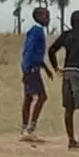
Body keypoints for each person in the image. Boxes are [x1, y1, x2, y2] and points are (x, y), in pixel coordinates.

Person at [48, 10, 79, 150]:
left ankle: (71, 140)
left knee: (68, 108)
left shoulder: (66, 35)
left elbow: (51, 50)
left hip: (67, 71)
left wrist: (56, 67)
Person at [19, 7, 53, 141]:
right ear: (38, 17)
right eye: (46, 16)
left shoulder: (36, 31)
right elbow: (29, 51)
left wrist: (46, 68)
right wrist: (27, 70)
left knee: (29, 97)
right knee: (42, 97)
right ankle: (29, 128)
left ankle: (24, 128)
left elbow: (36, 54)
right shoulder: (37, 32)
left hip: (33, 67)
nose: (49, 19)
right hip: (32, 69)